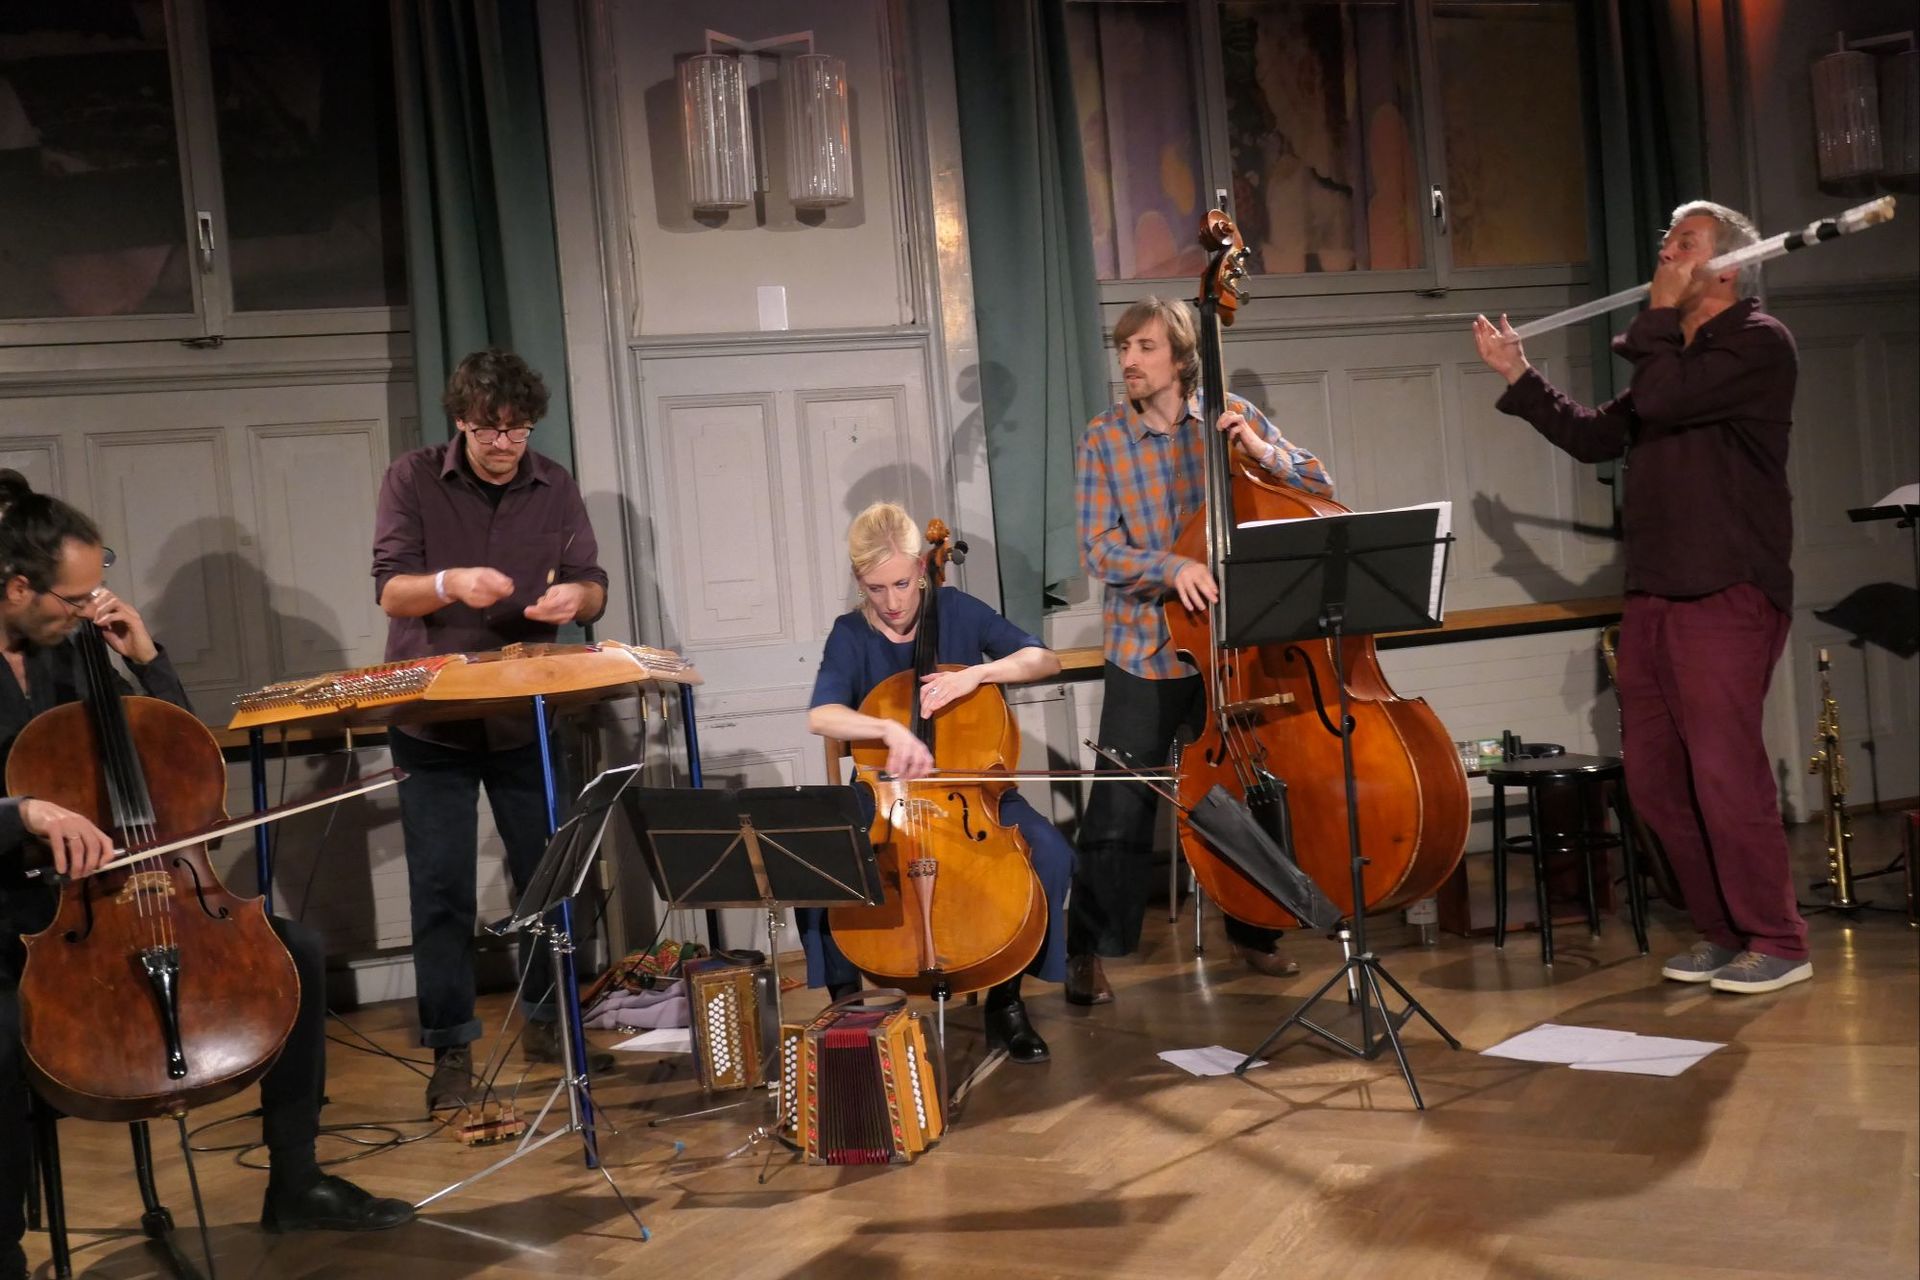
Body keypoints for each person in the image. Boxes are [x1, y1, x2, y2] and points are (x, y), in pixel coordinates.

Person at [0, 474, 411, 1279]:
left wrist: (146, 660)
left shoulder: (72, 653)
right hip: (17, 921)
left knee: (296, 952)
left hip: (127, 898)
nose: (86, 611)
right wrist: (24, 813)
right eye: (73, 599)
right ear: (17, 587)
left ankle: (296, 1180)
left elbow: (177, 752)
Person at [1471, 199, 1810, 995]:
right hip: (1654, 593)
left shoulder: (1759, 343)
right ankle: (1722, 932)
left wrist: (1656, 318)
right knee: (1655, 782)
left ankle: (1778, 937)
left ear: (1726, 268)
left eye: (1684, 243)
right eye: (1665, 241)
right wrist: (1520, 375)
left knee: (1726, 775)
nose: (1665, 254)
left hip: (1727, 588)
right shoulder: (1675, 359)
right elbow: (1598, 433)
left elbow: (1662, 400)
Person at [1070, 296, 1334, 1006]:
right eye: (1124, 347)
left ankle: (1255, 929)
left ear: (1183, 358)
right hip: (1145, 649)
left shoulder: (1229, 415)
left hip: (1229, 649)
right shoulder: (1103, 438)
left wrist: (1260, 451)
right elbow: (1098, 550)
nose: (1128, 360)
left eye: (1145, 347)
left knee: (1242, 790)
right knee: (1122, 803)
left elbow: (1319, 485)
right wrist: (1172, 567)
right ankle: (1090, 949)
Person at [370, 349, 612, 1110]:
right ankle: (450, 1050)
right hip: (432, 722)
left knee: (546, 879)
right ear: (461, 422)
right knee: (440, 888)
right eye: (488, 431)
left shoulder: (554, 484)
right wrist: (451, 583)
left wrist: (575, 599)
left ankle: (548, 1021)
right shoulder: (412, 478)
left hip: (525, 716)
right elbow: (391, 591)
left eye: (518, 430)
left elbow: (594, 585)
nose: (504, 444)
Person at [800, 502, 1072, 1063]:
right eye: (876, 588)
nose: (893, 602)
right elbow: (822, 715)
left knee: (1050, 852)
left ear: (923, 568)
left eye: (902, 583)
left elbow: (1043, 660)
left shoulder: (956, 610)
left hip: (972, 791)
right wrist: (885, 730)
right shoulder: (850, 633)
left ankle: (1006, 999)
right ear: (859, 580)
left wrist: (979, 674)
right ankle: (847, 1011)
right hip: (885, 793)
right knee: (816, 864)